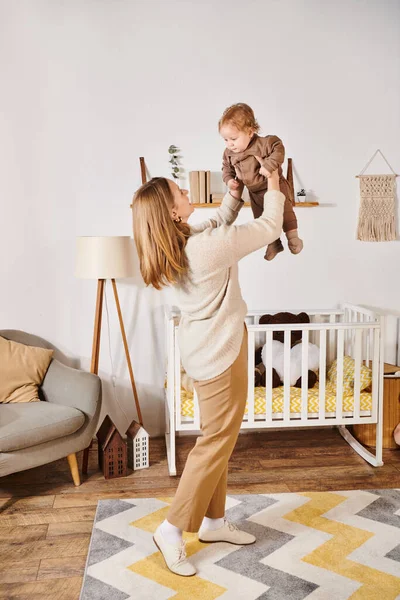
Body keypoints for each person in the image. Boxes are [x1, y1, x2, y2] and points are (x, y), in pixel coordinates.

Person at [132, 165, 285, 577]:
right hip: (221, 352)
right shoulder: (206, 248)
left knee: (218, 438)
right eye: (178, 190)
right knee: (215, 441)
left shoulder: (183, 243)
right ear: (174, 211)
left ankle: (214, 523)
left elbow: (214, 222)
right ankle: (171, 528)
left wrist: (232, 197)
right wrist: (274, 184)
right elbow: (270, 225)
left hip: (204, 350)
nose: (185, 190)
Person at [219, 102, 303, 261]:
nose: (229, 144)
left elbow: (279, 148)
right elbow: (226, 168)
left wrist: (269, 166)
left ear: (250, 132)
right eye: (225, 140)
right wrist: (229, 180)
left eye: (233, 139)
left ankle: (293, 237)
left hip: (274, 187)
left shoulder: (263, 143)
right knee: (262, 220)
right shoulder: (229, 153)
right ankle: (273, 243)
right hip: (255, 192)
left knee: (284, 211)